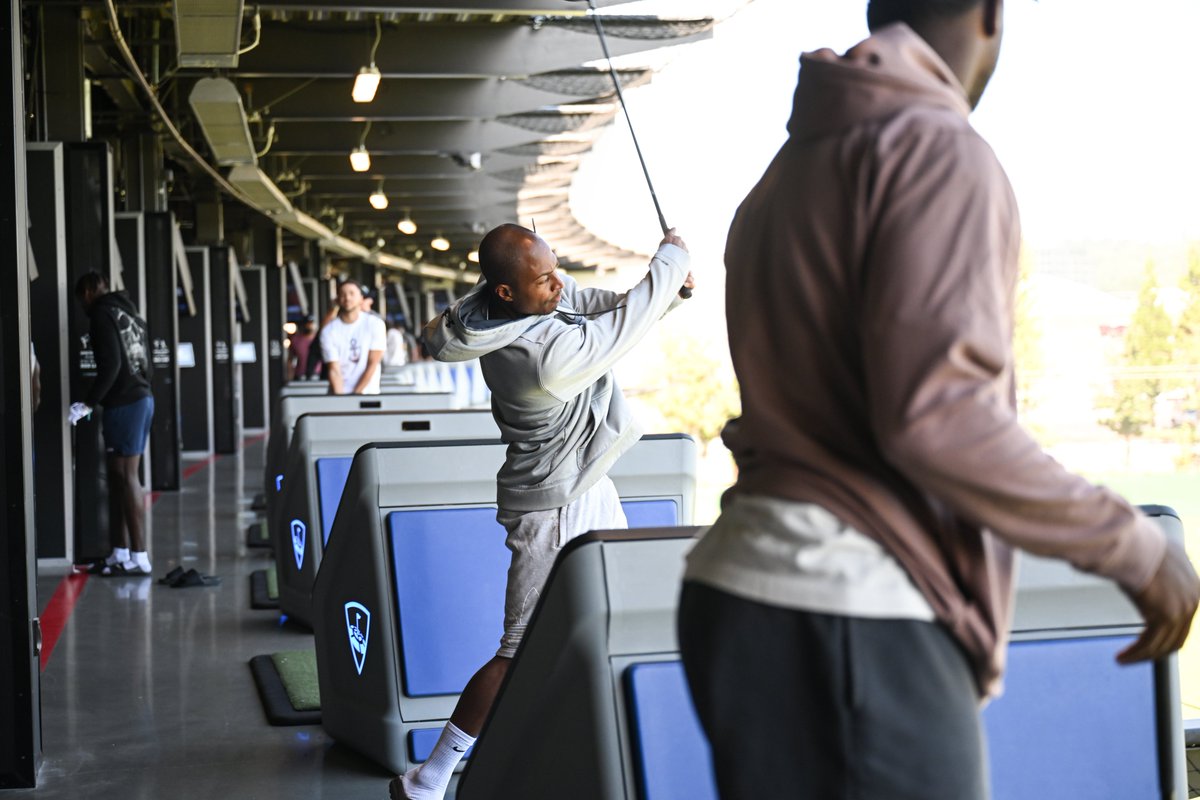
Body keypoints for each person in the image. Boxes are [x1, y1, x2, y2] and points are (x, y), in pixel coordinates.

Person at [677, 2, 1200, 798]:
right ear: (990, 13)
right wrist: (1136, 547)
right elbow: (942, 420)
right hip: (855, 612)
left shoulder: (787, 170)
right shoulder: (940, 151)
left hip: (746, 597)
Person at [391, 224, 692, 799]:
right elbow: (616, 334)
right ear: (507, 292)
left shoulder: (501, 305)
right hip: (555, 505)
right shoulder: (540, 359)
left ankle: (584, 742)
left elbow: (597, 306)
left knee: (611, 605)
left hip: (586, 482)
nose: (559, 284)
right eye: (544, 278)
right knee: (518, 650)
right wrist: (671, 260)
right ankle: (427, 780)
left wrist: (668, 291)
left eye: (556, 270)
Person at [71, 272, 155, 577]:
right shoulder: (131, 314)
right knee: (119, 476)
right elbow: (147, 362)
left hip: (125, 403)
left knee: (127, 476)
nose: (82, 305)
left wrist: (88, 403)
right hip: (141, 399)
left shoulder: (101, 315)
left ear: (91, 290)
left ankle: (140, 556)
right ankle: (121, 553)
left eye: (82, 297)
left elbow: (112, 365)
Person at [319, 279, 386, 395]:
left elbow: (373, 363)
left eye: (352, 293)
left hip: (368, 395)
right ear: (337, 299)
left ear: (361, 298)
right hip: (338, 395)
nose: (347, 298)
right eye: (343, 294)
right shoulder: (328, 331)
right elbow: (334, 370)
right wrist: (342, 400)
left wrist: (356, 395)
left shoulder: (376, 324)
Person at [286, 316, 319, 381]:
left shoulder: (320, 339)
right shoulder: (295, 339)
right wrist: (289, 376)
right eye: (308, 323)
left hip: (317, 374)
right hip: (300, 374)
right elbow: (290, 359)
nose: (310, 325)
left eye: (312, 323)